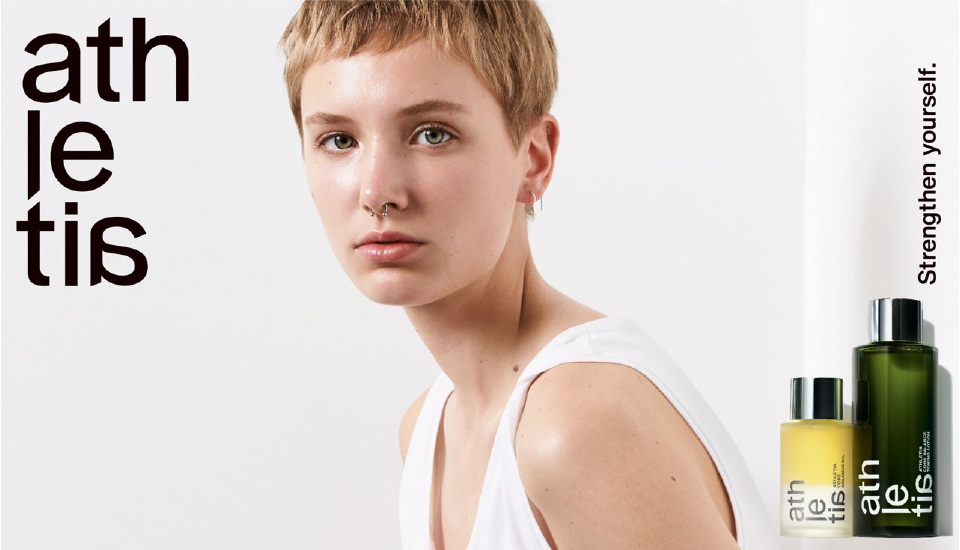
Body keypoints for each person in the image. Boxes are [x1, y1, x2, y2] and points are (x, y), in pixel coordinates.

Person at [279, 1, 778, 548]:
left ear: (534, 158)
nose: (377, 192)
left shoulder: (575, 427)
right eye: (340, 140)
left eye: (431, 134)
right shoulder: (426, 430)